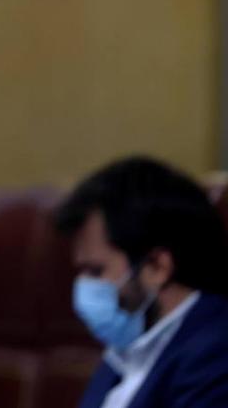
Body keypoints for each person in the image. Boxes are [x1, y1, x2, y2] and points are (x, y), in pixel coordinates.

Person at [54, 156, 228, 408]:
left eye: (96, 270)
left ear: (157, 267)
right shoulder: (128, 348)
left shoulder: (215, 354)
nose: (83, 286)